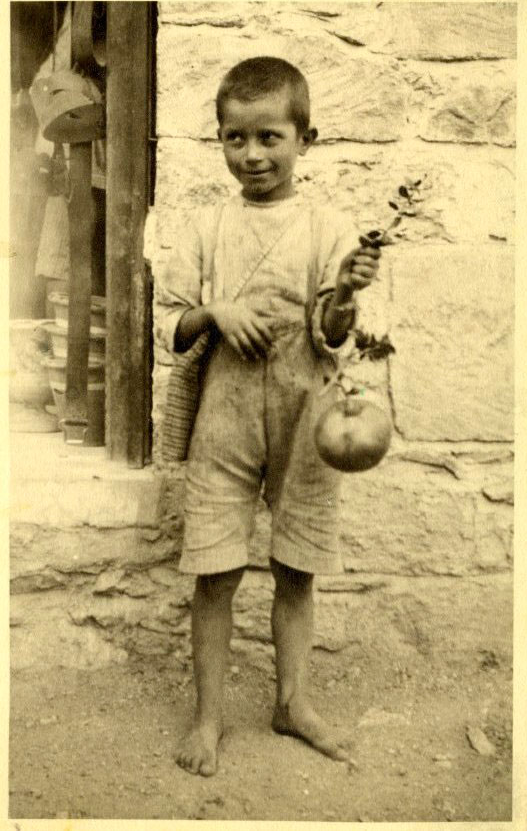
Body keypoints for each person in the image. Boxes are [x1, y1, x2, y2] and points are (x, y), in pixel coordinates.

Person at [155, 56, 380, 776]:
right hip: (223, 412)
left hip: (303, 410)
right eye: (235, 138)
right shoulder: (205, 226)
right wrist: (214, 311)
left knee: (296, 566)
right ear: (220, 140)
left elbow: (337, 333)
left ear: (304, 139)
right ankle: (208, 719)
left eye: (270, 138)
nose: (252, 155)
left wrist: (344, 294)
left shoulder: (327, 225)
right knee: (215, 572)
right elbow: (170, 323)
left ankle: (292, 702)